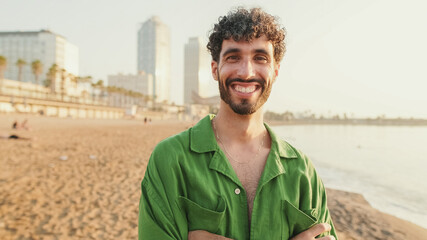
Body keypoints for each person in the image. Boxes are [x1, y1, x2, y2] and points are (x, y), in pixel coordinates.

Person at [139, 7, 338, 240]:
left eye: (260, 58)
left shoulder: (303, 172)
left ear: (275, 71)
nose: (246, 72)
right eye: (233, 57)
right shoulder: (171, 159)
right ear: (215, 69)